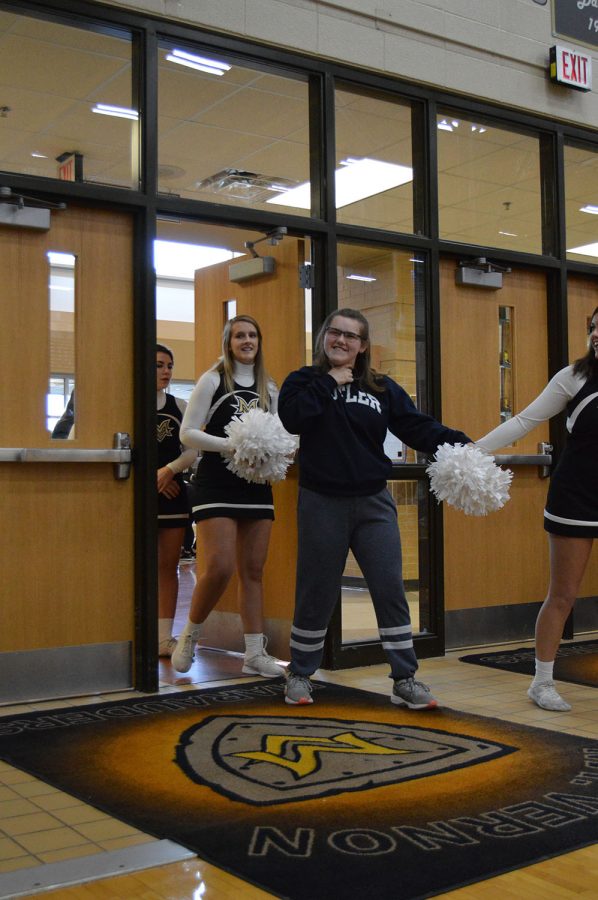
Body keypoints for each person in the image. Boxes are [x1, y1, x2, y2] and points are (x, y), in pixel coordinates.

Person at [277, 307, 471, 708]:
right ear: (324, 337)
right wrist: (330, 382)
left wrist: (460, 442)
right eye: (336, 333)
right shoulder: (304, 381)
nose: (342, 341)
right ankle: (299, 673)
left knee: (389, 588)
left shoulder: (381, 388)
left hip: (373, 502)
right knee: (316, 589)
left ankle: (405, 680)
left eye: (351, 336)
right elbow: (293, 418)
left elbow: (416, 426)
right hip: (321, 501)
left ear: (363, 346)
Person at [476, 306, 598, 712]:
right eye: (595, 327)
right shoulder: (574, 376)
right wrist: (472, 450)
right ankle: (542, 682)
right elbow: (525, 421)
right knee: (563, 595)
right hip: (576, 498)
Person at [172, 314, 285, 678]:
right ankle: (191, 633)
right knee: (220, 567)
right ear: (229, 341)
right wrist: (231, 446)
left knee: (253, 570)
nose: (247, 340)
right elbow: (187, 434)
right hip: (216, 482)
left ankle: (254, 652)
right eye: (239, 335)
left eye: (252, 334)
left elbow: (280, 434)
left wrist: (276, 452)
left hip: (255, 484)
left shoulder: (270, 386)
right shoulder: (212, 380)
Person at [156, 344, 197, 657]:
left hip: (173, 495)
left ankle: (162, 637)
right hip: (136, 497)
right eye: (158, 365)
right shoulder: (128, 404)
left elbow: (192, 450)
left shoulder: (180, 405)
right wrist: (151, 481)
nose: (166, 371)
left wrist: (168, 472)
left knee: (167, 567)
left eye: (169, 365)